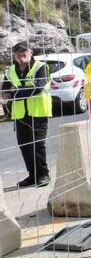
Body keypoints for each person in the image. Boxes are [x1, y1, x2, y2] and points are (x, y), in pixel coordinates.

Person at [2, 41, 52, 188]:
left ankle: (43, 174)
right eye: (18, 52)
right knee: (25, 146)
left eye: (24, 51)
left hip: (38, 113)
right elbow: (5, 91)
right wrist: (13, 92)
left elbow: (38, 88)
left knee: (37, 145)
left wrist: (14, 93)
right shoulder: (10, 71)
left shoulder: (41, 67)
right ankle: (32, 175)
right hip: (20, 115)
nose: (21, 54)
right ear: (14, 55)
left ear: (31, 53)